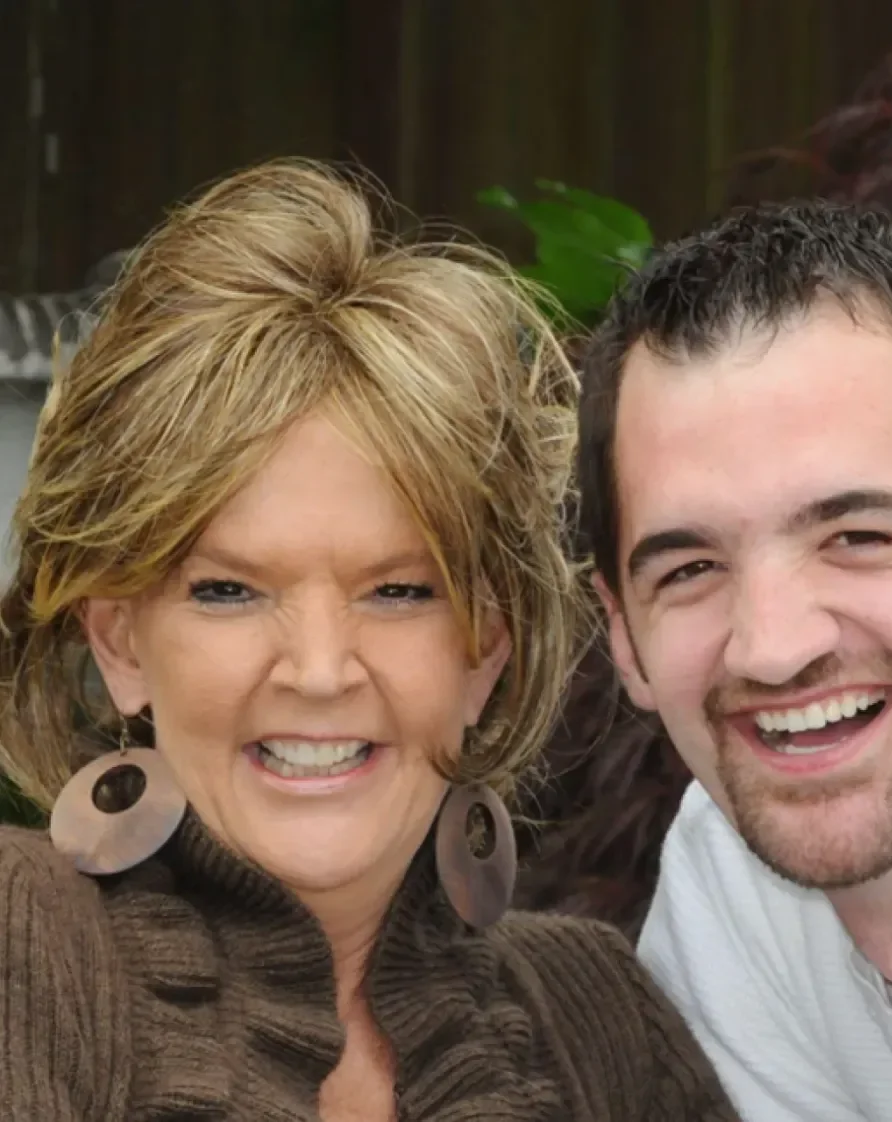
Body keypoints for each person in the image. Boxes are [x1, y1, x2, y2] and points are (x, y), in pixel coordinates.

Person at [0, 159, 738, 1122]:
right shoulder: (23, 946)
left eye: (397, 592)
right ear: (121, 646)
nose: (317, 669)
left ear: (487, 649)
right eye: (228, 591)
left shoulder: (598, 1022)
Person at [577, 198, 892, 1122]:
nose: (772, 648)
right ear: (624, 638)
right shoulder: (728, 890)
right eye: (690, 568)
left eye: (858, 536)